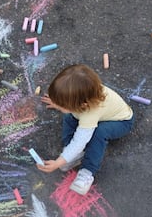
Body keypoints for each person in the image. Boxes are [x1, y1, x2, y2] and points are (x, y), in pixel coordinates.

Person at [37, 64, 134, 195]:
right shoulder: (85, 94)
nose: (58, 106)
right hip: (97, 115)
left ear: (82, 105)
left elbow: (80, 141)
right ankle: (72, 154)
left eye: (62, 104)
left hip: (121, 123)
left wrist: (58, 162)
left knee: (99, 133)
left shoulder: (90, 113)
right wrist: (58, 101)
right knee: (69, 117)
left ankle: (87, 172)